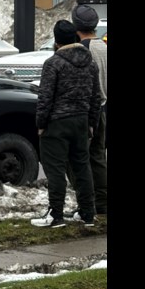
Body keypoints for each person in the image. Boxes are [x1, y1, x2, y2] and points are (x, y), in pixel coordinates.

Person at [31, 20, 101, 228]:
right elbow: (95, 97)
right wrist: (91, 124)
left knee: (55, 170)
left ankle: (56, 214)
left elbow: (45, 97)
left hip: (57, 123)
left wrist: (41, 123)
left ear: (56, 40)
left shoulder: (53, 63)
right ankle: (88, 213)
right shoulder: (90, 63)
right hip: (81, 121)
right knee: (82, 167)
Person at [69, 3, 107, 220]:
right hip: (103, 109)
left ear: (77, 26)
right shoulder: (104, 47)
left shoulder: (82, 51)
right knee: (98, 157)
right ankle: (102, 200)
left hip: (86, 112)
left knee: (79, 159)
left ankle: (86, 201)